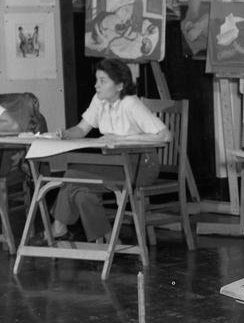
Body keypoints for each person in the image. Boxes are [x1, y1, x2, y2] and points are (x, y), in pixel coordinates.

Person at [45, 58, 171, 245]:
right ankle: (109, 240)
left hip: (140, 165)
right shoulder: (99, 100)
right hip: (114, 164)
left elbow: (165, 135)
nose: (97, 86)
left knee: (73, 173)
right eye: (97, 80)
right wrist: (64, 134)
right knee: (82, 193)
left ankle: (58, 227)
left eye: (103, 81)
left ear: (120, 85)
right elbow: (81, 129)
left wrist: (122, 139)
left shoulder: (130, 103)